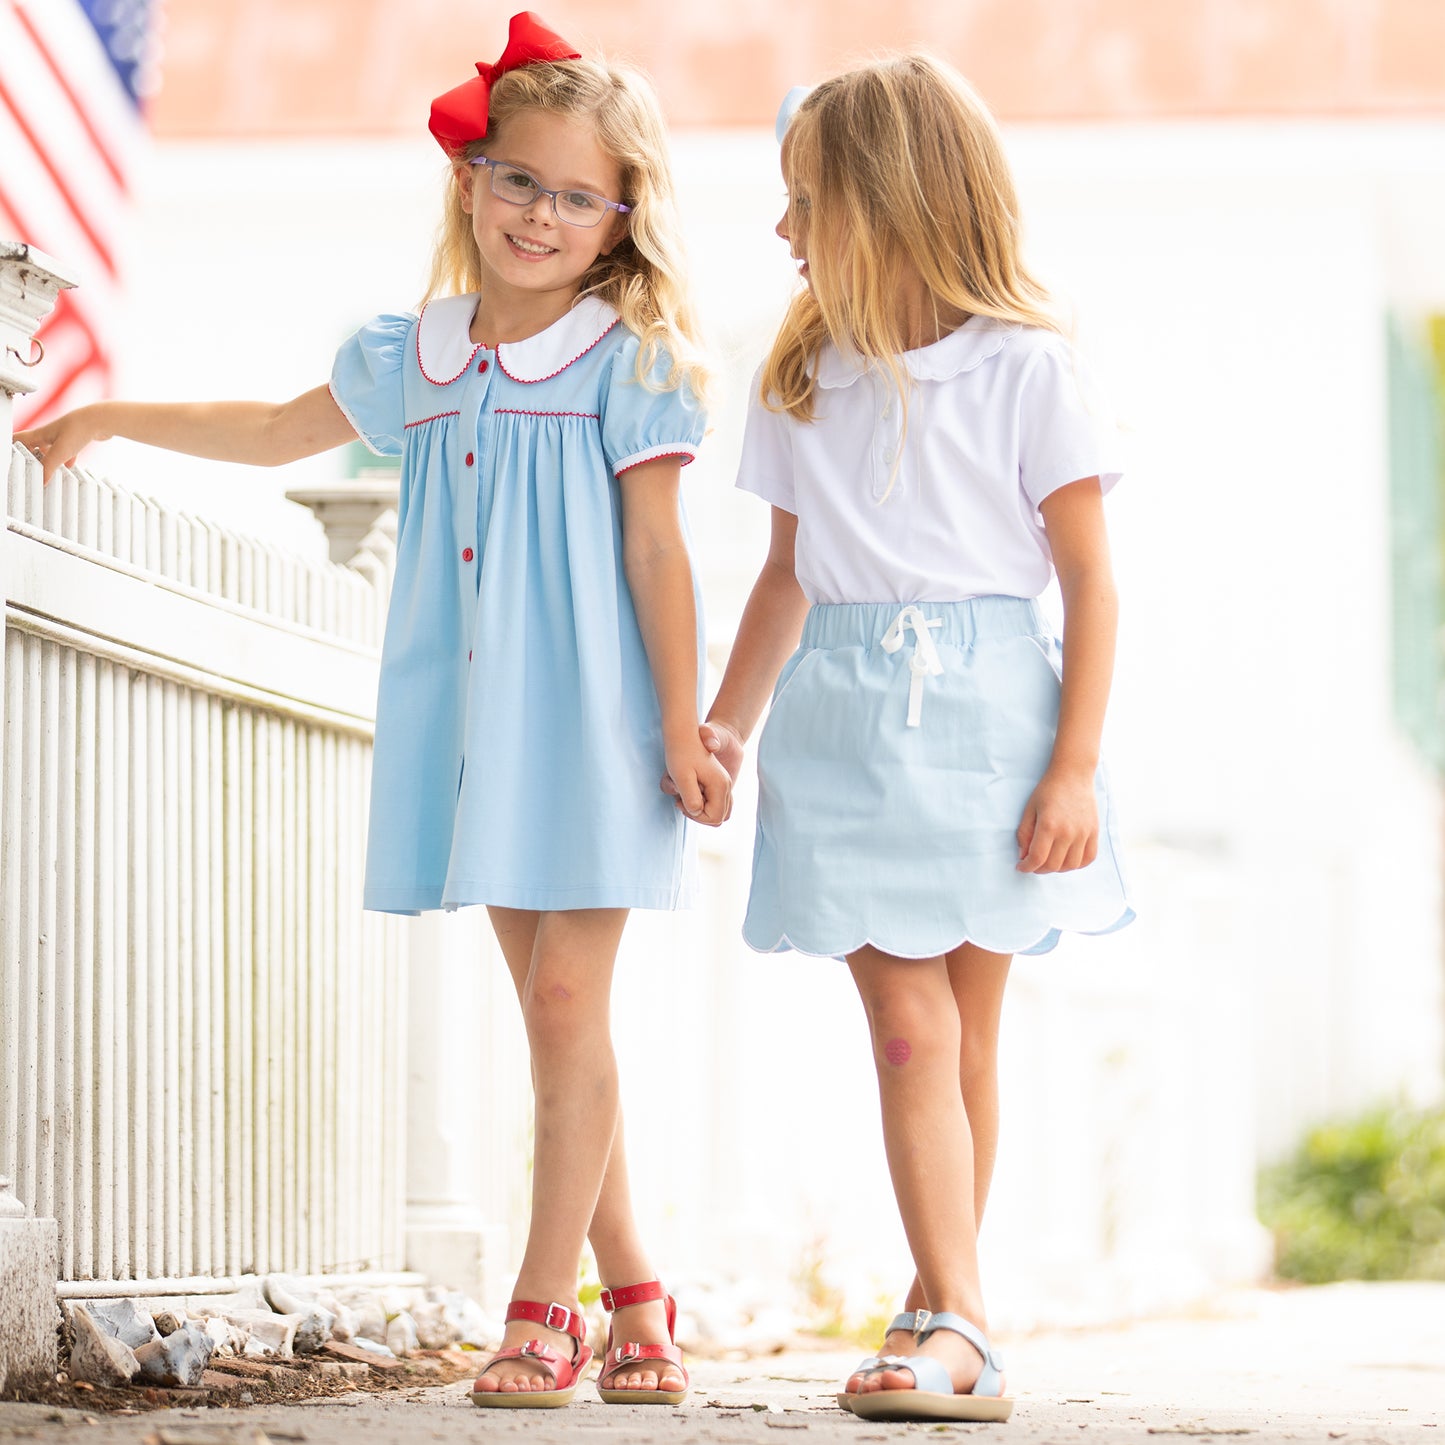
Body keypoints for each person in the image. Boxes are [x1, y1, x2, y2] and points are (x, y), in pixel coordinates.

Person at [19, 10, 724, 1411]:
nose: (541, 212)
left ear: (619, 220)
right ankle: (637, 1288)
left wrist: (683, 723)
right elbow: (277, 424)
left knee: (572, 1000)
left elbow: (656, 549)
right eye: (519, 178)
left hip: (590, 723)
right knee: (552, 1018)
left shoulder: (626, 358)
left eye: (578, 195)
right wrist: (109, 417)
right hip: (475, 726)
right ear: (472, 179)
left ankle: (543, 1314)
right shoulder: (423, 349)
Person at [694, 56, 1134, 1423]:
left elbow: (1091, 581)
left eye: (803, 202)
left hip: (993, 718)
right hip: (842, 728)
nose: (781, 232)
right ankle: (959, 1318)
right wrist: (723, 722)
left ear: (884, 204)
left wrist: (1070, 765)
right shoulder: (800, 376)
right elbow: (785, 574)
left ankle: (946, 1308)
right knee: (906, 1025)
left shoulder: (1027, 369)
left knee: (965, 1036)